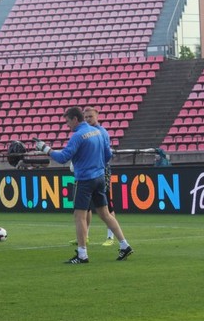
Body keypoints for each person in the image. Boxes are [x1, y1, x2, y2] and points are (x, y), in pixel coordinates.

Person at [34, 106, 133, 264]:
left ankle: (82, 254)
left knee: (79, 216)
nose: (67, 125)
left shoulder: (78, 136)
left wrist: (46, 149)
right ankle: (124, 245)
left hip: (85, 180)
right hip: (99, 177)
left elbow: (63, 158)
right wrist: (96, 165)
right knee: (105, 214)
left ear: (75, 119)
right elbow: (108, 155)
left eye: (68, 122)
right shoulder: (98, 132)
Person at [83, 106, 117, 247]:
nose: (88, 119)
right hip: (89, 171)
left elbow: (107, 154)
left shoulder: (102, 132)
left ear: (97, 116)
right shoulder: (86, 132)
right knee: (86, 206)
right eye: (86, 117)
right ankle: (84, 235)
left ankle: (110, 236)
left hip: (102, 170)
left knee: (106, 203)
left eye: (90, 116)